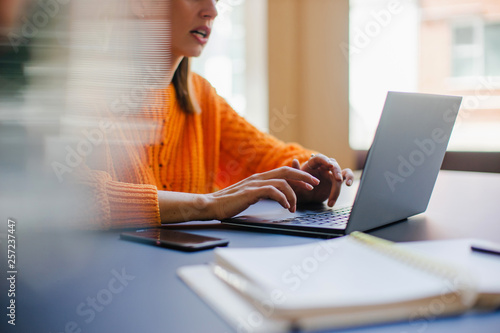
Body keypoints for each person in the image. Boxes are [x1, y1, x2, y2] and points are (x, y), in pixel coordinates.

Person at [74, 0, 354, 230]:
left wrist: (308, 180)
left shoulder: (201, 97)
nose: (212, 10)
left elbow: (267, 157)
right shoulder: (80, 96)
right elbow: (74, 198)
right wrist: (208, 204)